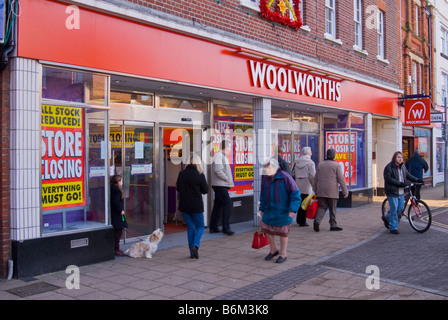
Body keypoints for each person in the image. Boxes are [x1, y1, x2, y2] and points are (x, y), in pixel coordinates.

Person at [259, 158, 301, 263]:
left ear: (275, 168)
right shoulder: (265, 179)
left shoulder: (285, 177)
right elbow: (263, 195)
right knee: (266, 229)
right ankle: (273, 250)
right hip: (269, 209)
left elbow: (295, 194)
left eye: (268, 169)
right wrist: (262, 208)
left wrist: (293, 209)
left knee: (283, 232)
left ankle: (283, 254)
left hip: (283, 210)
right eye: (265, 169)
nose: (266, 171)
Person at [176, 154, 208, 259]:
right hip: (196, 205)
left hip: (184, 205)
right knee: (200, 226)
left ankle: (191, 253)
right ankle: (195, 245)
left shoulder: (182, 173)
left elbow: (178, 187)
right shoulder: (200, 174)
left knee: (191, 227)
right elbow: (205, 190)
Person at [383, 151, 420, 234]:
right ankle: (393, 227)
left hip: (401, 191)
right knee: (394, 208)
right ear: (394, 158)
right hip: (392, 191)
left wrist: (417, 180)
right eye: (398, 157)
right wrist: (400, 184)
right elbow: (389, 179)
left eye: (401, 157)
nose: (400, 159)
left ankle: (387, 217)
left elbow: (407, 175)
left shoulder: (403, 167)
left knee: (400, 208)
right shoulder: (389, 167)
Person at [312, 148, 348, 232]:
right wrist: (345, 192)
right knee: (332, 208)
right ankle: (333, 225)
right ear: (334, 156)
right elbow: (341, 179)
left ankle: (317, 221)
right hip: (332, 191)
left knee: (322, 207)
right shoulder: (336, 165)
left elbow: (315, 179)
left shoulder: (320, 164)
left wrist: (315, 190)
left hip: (321, 190)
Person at [209, 140, 235, 235]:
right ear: (226, 147)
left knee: (218, 206)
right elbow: (218, 170)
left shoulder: (220, 156)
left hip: (219, 184)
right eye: (229, 147)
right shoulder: (219, 156)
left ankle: (213, 226)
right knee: (227, 204)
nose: (230, 149)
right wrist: (227, 178)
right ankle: (225, 227)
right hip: (220, 185)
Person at [292, 146, 316, 226]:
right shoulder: (310, 163)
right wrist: (314, 186)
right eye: (310, 152)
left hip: (297, 184)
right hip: (307, 185)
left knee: (299, 202)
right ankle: (302, 221)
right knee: (305, 203)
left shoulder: (296, 161)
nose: (311, 153)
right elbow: (312, 176)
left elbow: (293, 173)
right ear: (308, 153)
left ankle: (298, 220)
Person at [110, 174, 128, 256]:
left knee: (117, 230)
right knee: (118, 231)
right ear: (118, 182)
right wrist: (121, 210)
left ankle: (115, 248)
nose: (122, 182)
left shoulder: (111, 189)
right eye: (121, 180)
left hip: (116, 214)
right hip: (118, 214)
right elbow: (115, 202)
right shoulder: (117, 191)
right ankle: (116, 248)